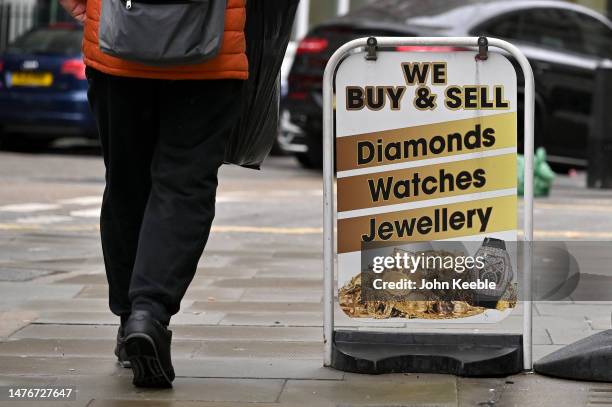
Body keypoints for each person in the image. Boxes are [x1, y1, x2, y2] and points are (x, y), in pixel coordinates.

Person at [58, 0, 248, 388]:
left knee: (127, 184)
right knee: (183, 186)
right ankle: (149, 312)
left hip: (117, 46)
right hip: (210, 55)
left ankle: (130, 318)